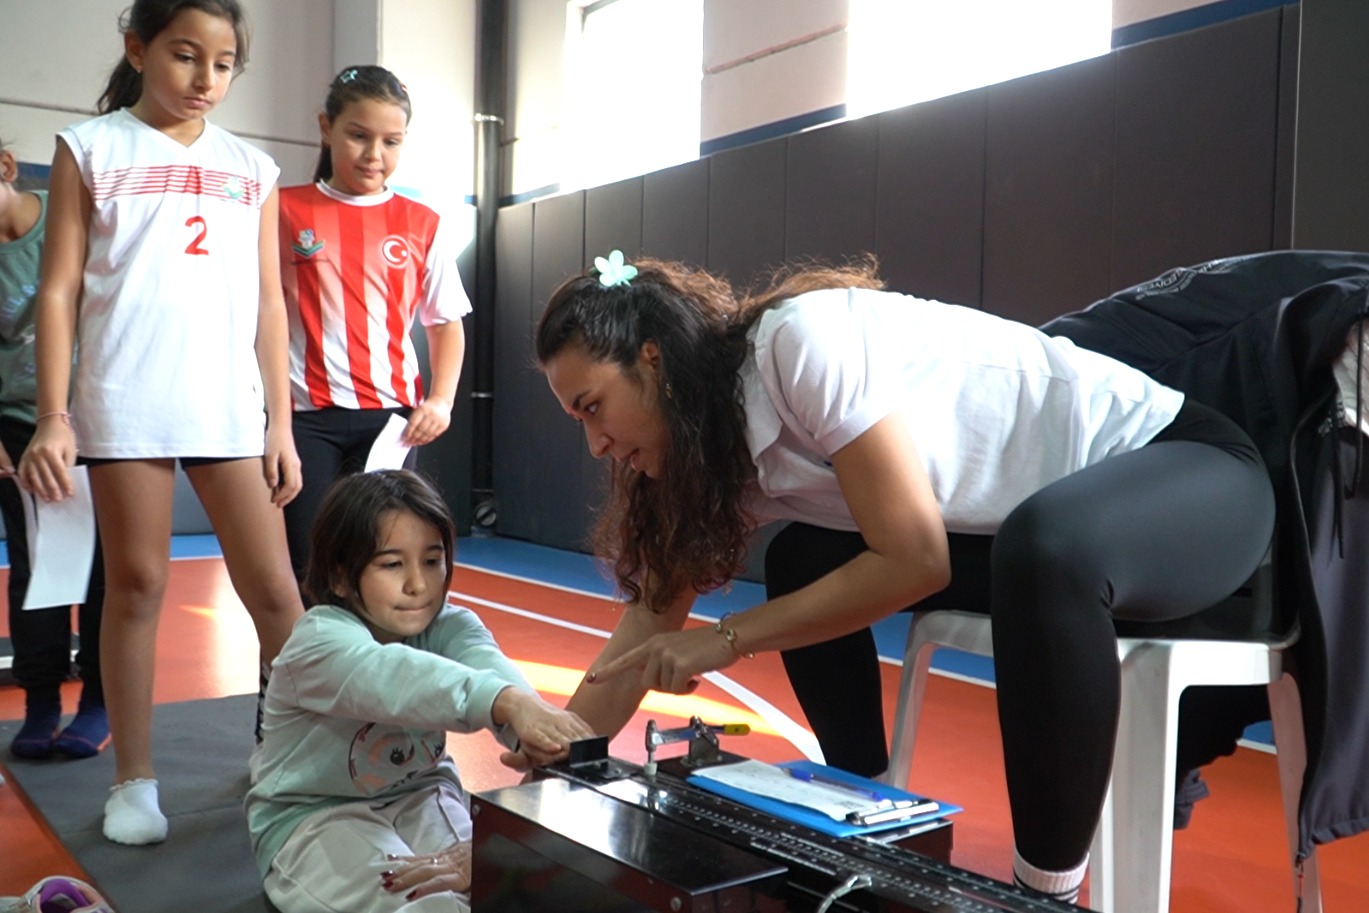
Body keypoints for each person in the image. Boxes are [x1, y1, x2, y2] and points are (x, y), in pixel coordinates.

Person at [533, 250, 1276, 904]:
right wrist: (559, 748)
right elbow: (650, 619)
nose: (596, 443)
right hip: (1033, 542)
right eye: (577, 421)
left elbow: (917, 560)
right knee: (803, 559)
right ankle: (865, 821)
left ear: (653, 361)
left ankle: (1043, 896)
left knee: (1041, 550)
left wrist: (725, 639)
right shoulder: (704, 449)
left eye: (594, 407)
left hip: (1195, 480)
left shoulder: (796, 345)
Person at [16, 0, 303, 846]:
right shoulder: (89, 147)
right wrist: (54, 415)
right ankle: (134, 781)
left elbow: (269, 304)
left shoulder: (252, 168)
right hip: (125, 399)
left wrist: (279, 423)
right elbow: (58, 290)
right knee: (136, 585)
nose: (204, 78)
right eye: (184, 55)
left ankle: (301, 758)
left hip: (227, 406)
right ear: (138, 49)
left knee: (277, 594)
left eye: (223, 63)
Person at [246, 469, 593, 912]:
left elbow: (488, 666)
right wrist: (505, 703)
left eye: (432, 561)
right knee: (427, 906)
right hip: (313, 815)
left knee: (505, 883)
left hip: (423, 795)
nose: (419, 585)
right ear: (339, 576)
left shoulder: (451, 624)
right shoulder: (318, 641)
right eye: (392, 564)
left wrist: (529, 729)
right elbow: (393, 677)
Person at [278, 64, 469, 585]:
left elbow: (446, 322)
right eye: (358, 136)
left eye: (391, 141)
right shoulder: (282, 210)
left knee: (380, 558)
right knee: (310, 564)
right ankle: (304, 644)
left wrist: (441, 401)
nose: (373, 154)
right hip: (305, 420)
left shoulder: (422, 222)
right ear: (326, 128)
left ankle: (375, 644)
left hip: (390, 423)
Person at [0, 134, 109, 761]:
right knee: (35, 567)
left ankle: (98, 699)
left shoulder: (64, 220)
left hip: (94, 417)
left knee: (104, 569)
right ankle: (41, 698)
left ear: (6, 167)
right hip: (19, 427)